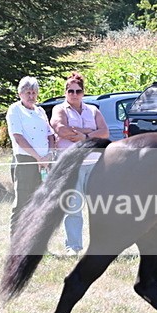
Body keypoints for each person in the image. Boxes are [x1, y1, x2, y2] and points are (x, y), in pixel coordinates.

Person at [50, 72, 109, 256]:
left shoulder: (93, 110)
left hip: (95, 164)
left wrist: (83, 135)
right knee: (73, 207)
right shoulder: (60, 110)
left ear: (83, 92)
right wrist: (92, 133)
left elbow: (105, 132)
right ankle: (73, 247)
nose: (74, 94)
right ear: (65, 92)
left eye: (78, 91)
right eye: (70, 91)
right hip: (72, 166)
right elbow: (60, 129)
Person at [6, 76, 55, 238]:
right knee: (22, 201)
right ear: (20, 93)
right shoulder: (15, 110)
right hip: (26, 160)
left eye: (34, 93)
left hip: (45, 162)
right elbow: (18, 137)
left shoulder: (40, 111)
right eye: (28, 93)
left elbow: (50, 134)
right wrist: (37, 157)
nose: (31, 96)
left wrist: (48, 155)